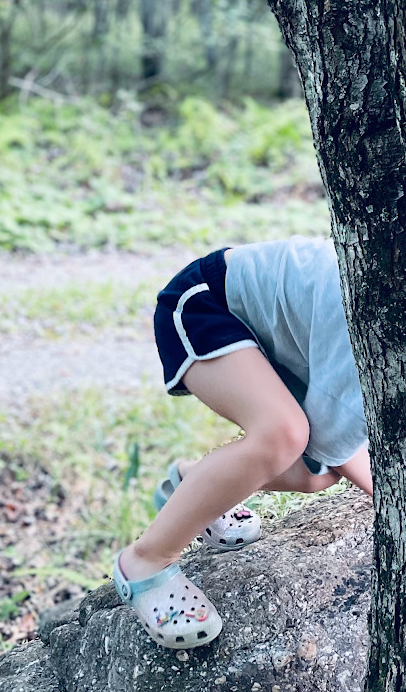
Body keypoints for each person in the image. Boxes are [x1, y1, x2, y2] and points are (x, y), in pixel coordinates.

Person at [113, 236, 372, 649]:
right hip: (203, 303)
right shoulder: (379, 319)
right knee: (285, 435)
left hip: (276, 342)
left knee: (313, 475)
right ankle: (146, 561)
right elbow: (332, 441)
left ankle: (196, 484)